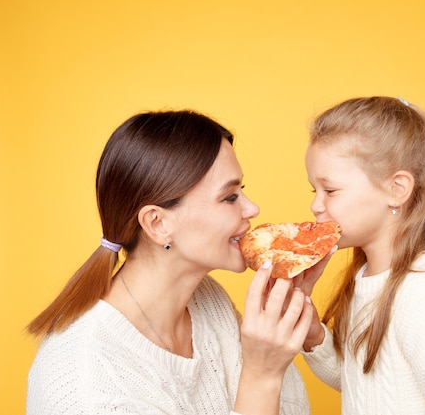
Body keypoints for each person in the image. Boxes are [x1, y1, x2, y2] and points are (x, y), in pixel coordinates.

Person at [26, 110, 313, 415]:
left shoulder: (207, 301)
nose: (252, 208)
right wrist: (261, 376)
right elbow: (261, 387)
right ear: (157, 223)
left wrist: (285, 311)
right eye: (229, 197)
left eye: (242, 191)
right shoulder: (87, 387)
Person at [297, 96, 425, 414]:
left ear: (396, 189)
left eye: (330, 190)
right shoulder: (367, 278)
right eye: (314, 191)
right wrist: (314, 337)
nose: (316, 205)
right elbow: (364, 384)